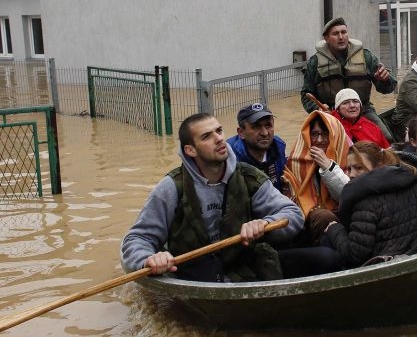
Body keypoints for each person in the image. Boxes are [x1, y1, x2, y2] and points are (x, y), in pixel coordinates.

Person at [121, 113, 304, 281]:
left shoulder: (248, 177)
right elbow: (137, 239)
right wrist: (149, 260)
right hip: (193, 272)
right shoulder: (171, 187)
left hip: (240, 264)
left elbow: (293, 214)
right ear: (190, 150)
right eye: (207, 136)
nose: (219, 139)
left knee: (325, 258)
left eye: (219, 131)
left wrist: (265, 224)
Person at [322, 141, 417, 267]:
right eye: (349, 168)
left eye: (359, 168)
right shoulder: (412, 188)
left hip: (391, 272)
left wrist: (335, 230)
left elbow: (355, 255)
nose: (351, 174)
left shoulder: (364, 204)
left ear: (378, 166)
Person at [301, 17, 396, 142]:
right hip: (330, 113)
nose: (341, 37)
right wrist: (317, 109)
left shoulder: (366, 56)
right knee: (321, 143)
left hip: (363, 111)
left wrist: (384, 80)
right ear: (326, 38)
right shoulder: (315, 62)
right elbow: (306, 94)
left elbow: (388, 88)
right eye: (335, 34)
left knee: (387, 139)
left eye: (344, 32)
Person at [283, 110, 351, 217]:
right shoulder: (296, 160)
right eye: (314, 134)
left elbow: (348, 196)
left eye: (325, 134)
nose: (319, 140)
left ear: (335, 135)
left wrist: (328, 167)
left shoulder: (348, 158)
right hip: (309, 219)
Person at [226, 103, 287, 191]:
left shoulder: (278, 147)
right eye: (256, 127)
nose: (265, 133)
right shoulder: (229, 158)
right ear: (241, 132)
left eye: (268, 125)